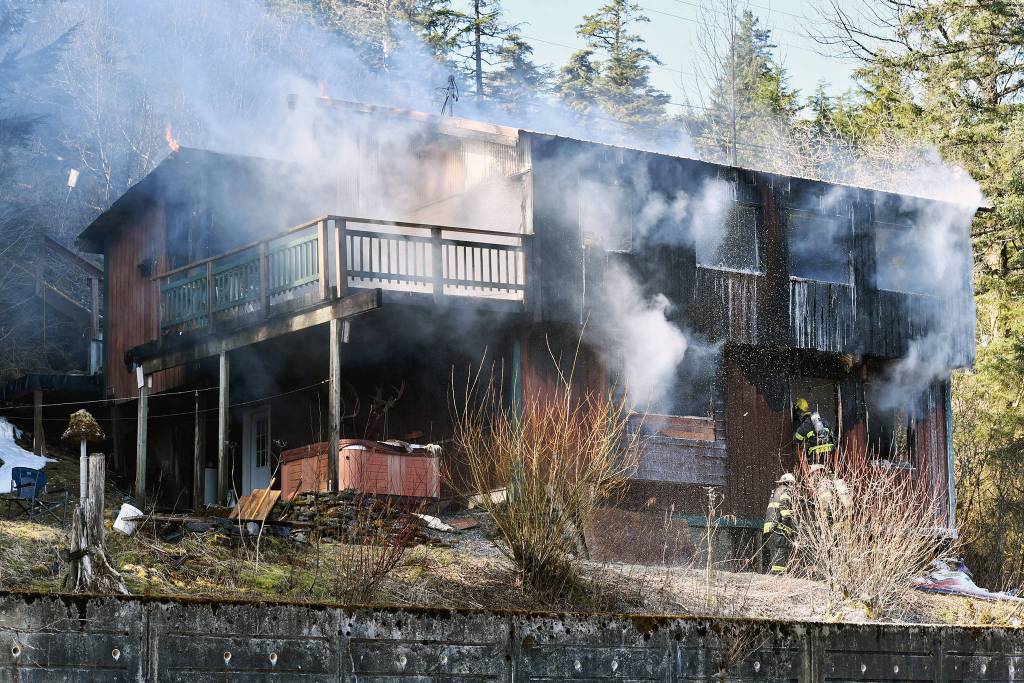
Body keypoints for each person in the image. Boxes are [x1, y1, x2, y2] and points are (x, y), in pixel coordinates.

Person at [763, 472, 796, 575]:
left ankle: (775, 574)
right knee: (781, 551)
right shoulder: (786, 491)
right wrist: (787, 521)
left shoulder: (775, 492)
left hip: (769, 527)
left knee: (775, 552)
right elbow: (784, 506)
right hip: (779, 527)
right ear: (790, 483)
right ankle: (778, 576)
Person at [793, 397, 836, 468]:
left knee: (815, 468)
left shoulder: (805, 424)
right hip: (830, 449)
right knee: (828, 467)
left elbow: (796, 440)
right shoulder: (823, 421)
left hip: (815, 451)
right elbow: (831, 433)